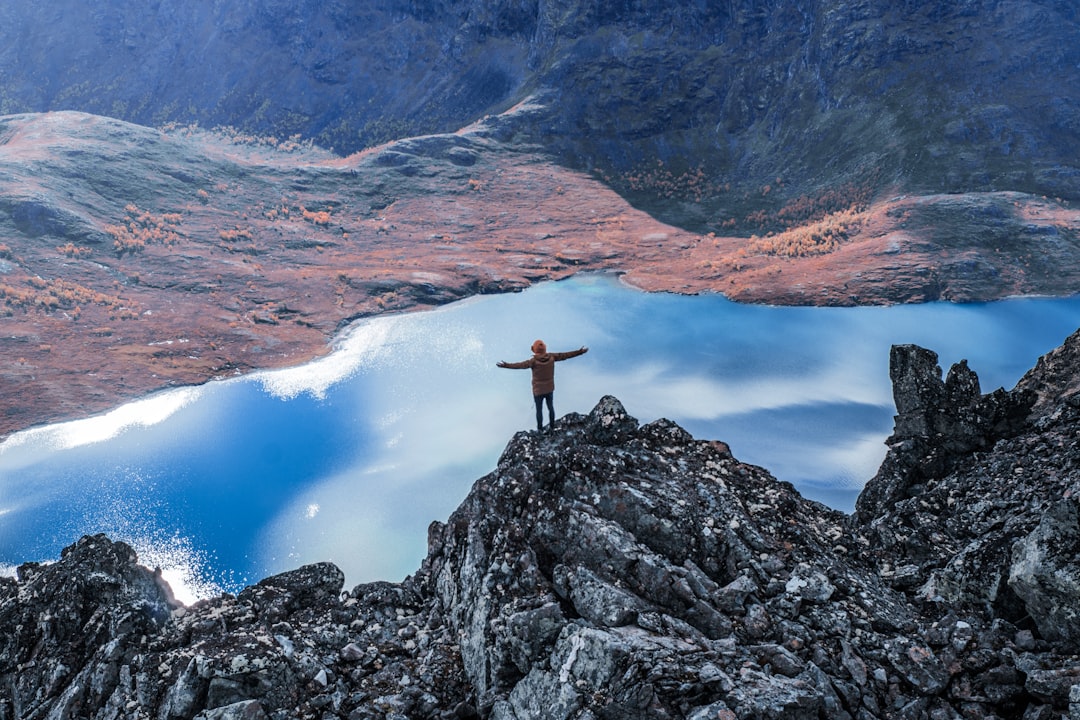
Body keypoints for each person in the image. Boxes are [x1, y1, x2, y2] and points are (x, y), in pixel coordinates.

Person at [497, 340, 588, 432]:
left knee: (539, 410)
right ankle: (552, 427)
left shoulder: (533, 361)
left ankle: (540, 430)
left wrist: (506, 365)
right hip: (549, 389)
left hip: (538, 391)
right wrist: (579, 352)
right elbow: (565, 355)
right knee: (550, 408)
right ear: (545, 348)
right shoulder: (552, 356)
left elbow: (519, 365)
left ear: (534, 350)